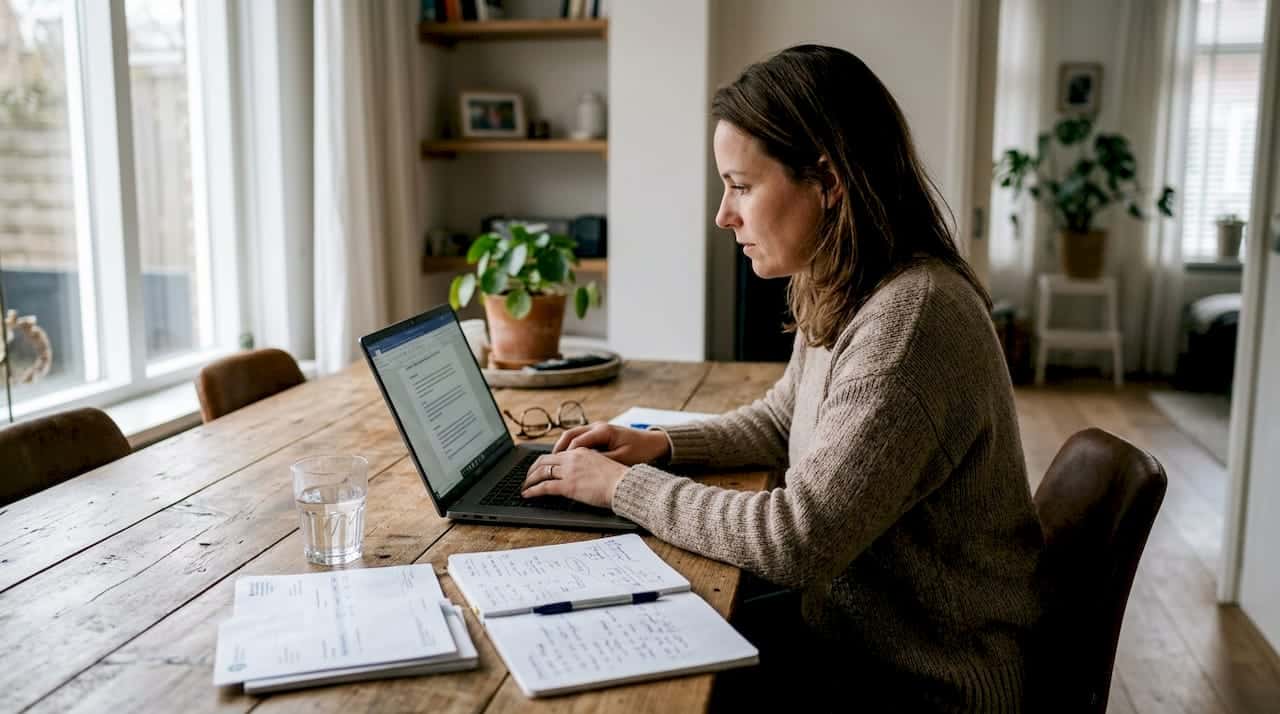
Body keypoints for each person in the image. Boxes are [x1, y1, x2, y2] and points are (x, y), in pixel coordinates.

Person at [519, 44, 1043, 711]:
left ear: (827, 180)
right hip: (849, 639)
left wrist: (625, 488)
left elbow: (795, 540)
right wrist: (660, 445)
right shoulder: (846, 280)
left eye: (740, 185)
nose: (723, 214)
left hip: (925, 680)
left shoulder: (910, 321)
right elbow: (782, 418)